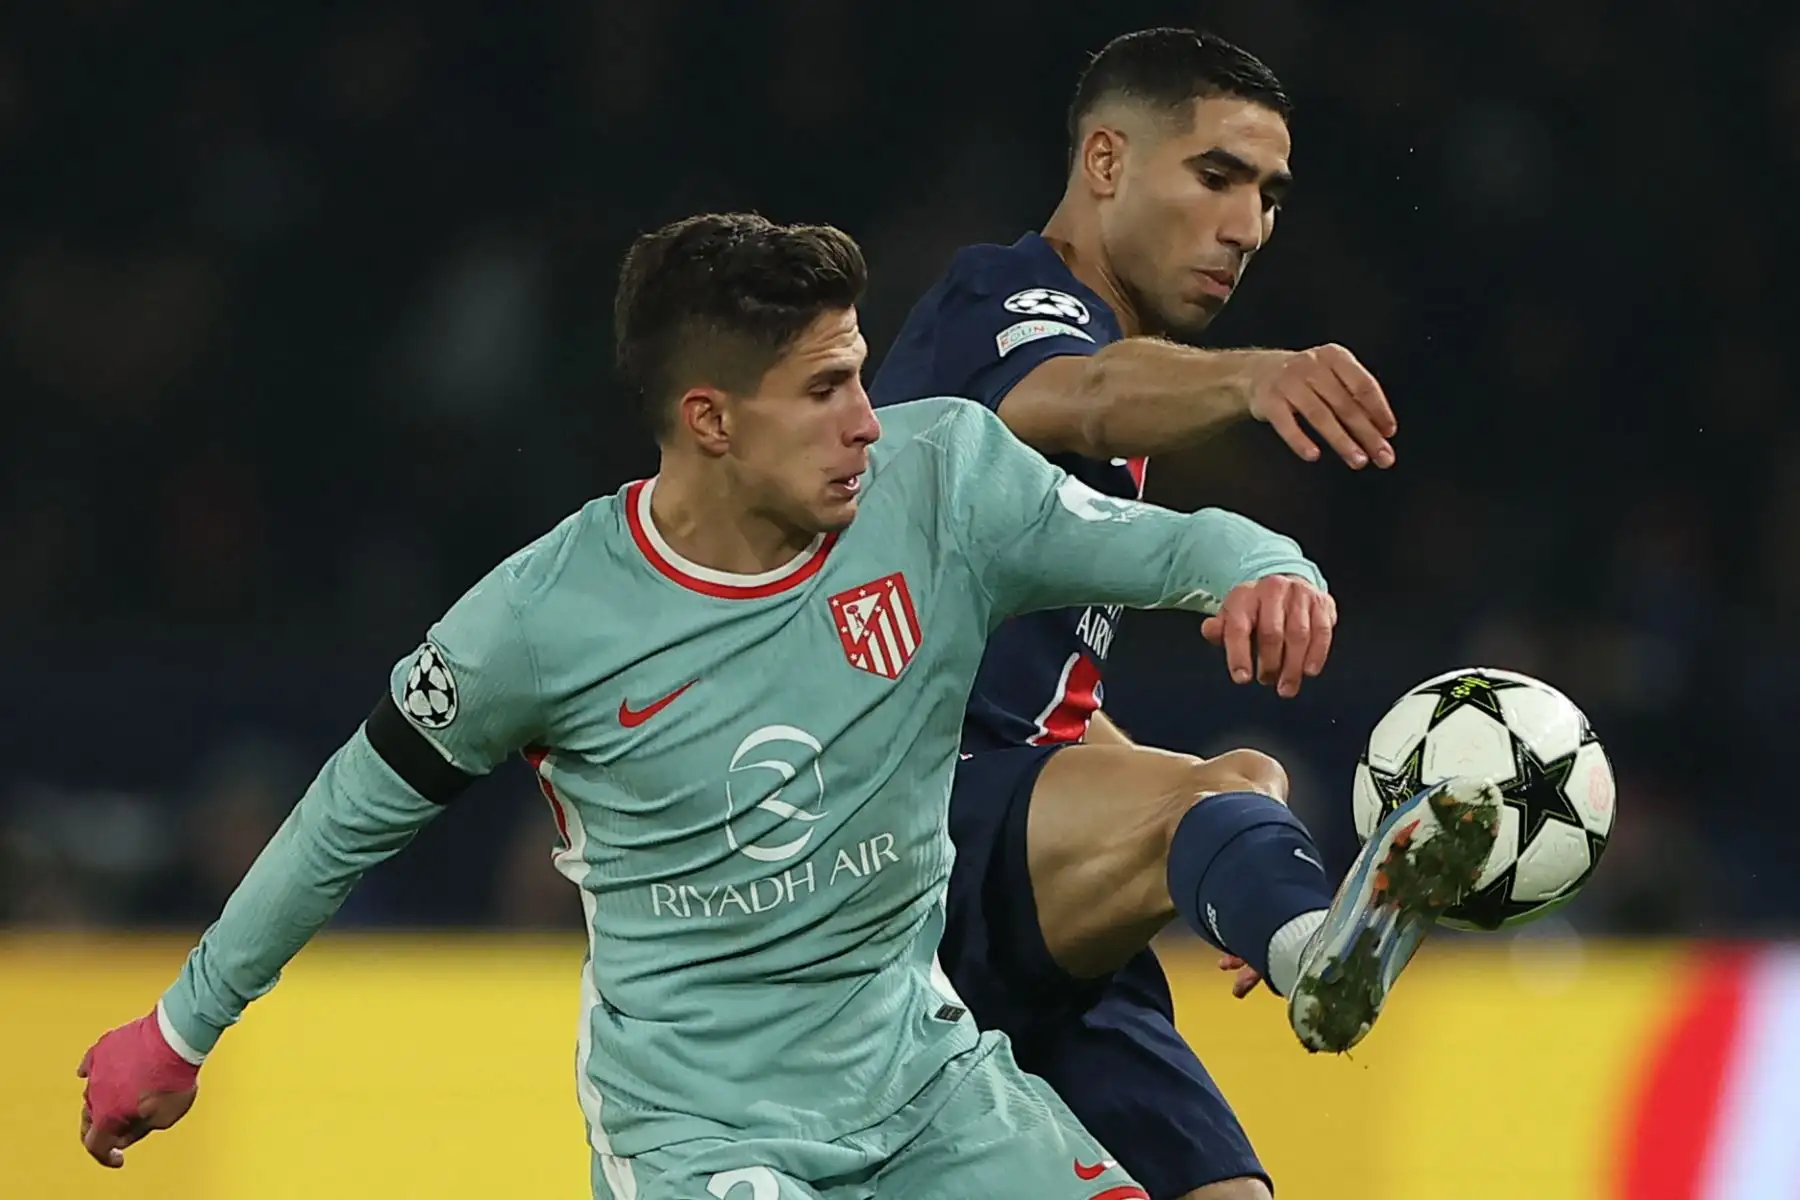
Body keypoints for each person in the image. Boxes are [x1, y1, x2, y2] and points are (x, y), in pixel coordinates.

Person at [71, 211, 1500, 1199]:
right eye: (823, 390)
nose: (867, 418)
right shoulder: (541, 618)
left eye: (864, 370)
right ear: (709, 420)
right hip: (702, 1132)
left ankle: (1304, 923)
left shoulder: (943, 482)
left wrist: (1274, 568)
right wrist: (180, 1031)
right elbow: (345, 819)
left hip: (923, 1081)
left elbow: (1175, 547)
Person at [869, 27, 1456, 1200]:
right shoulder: (1003, 300)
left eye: (1271, 196)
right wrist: (1251, 376)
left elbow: (1048, 710)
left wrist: (1211, 868)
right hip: (905, 827)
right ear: (1104, 161)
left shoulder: (1124, 404)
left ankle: (1283, 911)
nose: (1248, 227)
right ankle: (1308, 948)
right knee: (1212, 794)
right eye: (1217, 176)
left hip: (1019, 869)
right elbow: (1076, 394)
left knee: (1235, 782)